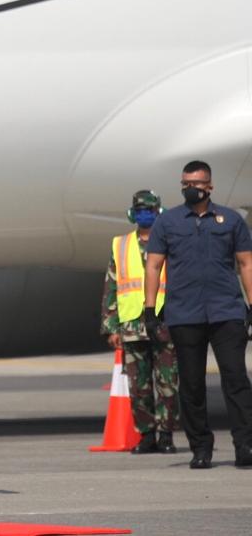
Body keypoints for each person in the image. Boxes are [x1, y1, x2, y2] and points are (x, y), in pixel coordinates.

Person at [143, 160, 252, 469]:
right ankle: (200, 448)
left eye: (196, 183)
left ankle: (245, 445)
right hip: (184, 313)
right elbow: (153, 265)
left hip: (226, 311)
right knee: (191, 384)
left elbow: (246, 263)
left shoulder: (230, 220)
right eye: (186, 183)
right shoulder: (168, 223)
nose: (191, 188)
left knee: (236, 380)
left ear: (209, 186)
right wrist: (150, 310)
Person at [99, 189, 179, 454]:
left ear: (159, 212)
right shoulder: (120, 245)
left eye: (150, 210)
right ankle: (147, 435)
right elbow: (112, 286)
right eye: (141, 210)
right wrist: (111, 326)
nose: (145, 214)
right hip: (133, 325)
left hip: (165, 322)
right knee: (138, 386)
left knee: (168, 384)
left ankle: (166, 434)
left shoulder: (171, 242)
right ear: (133, 213)